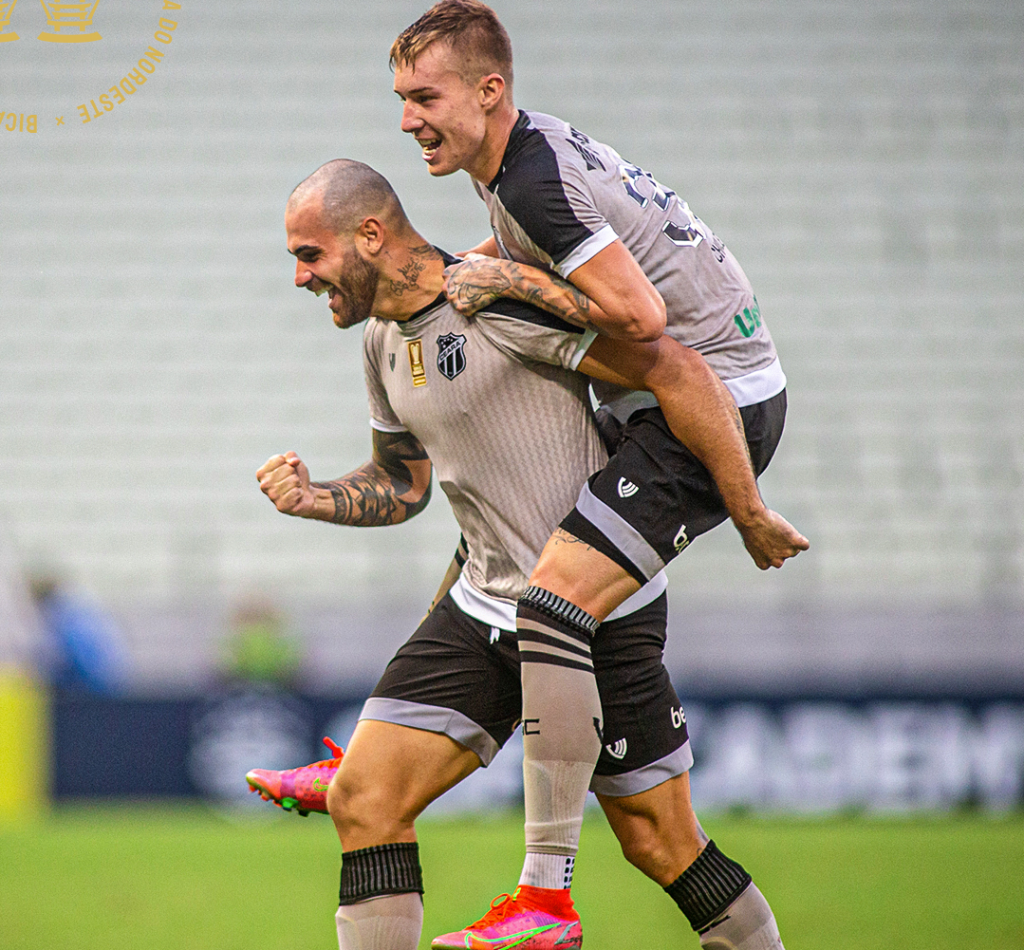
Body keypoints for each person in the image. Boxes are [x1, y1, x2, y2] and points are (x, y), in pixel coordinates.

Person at [247, 158, 789, 950]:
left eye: (309, 254)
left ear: (369, 235)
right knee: (365, 799)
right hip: (482, 606)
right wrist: (316, 496)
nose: (299, 277)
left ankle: (570, 905)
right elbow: (404, 483)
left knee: (663, 846)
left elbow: (675, 373)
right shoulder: (378, 345)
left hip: (588, 618)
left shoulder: (495, 300)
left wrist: (749, 509)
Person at [390, 3, 806, 945]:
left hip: (710, 411)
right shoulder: (519, 160)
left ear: (490, 91)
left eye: (426, 97)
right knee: (665, 843)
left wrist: (745, 508)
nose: (410, 118)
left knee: (549, 603)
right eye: (402, 99)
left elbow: (645, 322)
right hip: (696, 403)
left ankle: (543, 898)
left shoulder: (531, 181)